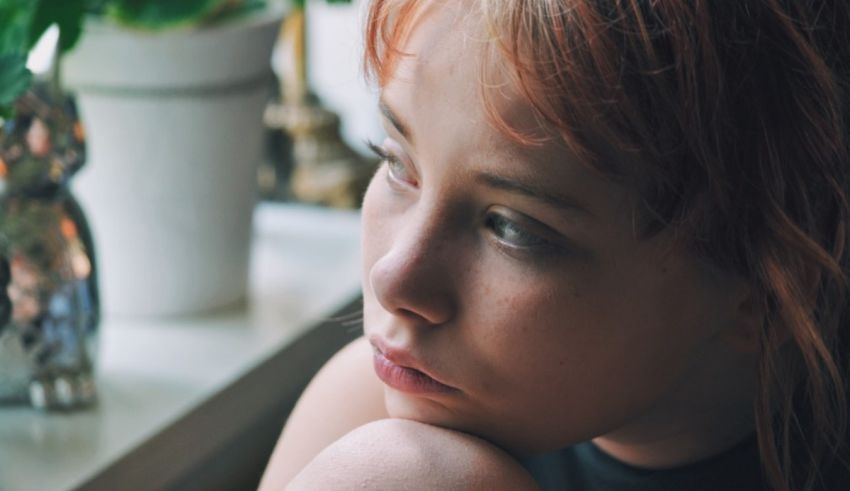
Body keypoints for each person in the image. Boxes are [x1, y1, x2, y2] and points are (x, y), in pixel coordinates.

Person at [259, 1, 850, 489]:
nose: (395, 279)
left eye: (513, 228)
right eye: (398, 164)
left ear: (771, 281)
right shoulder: (368, 412)